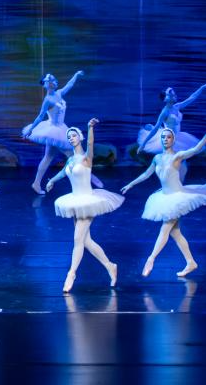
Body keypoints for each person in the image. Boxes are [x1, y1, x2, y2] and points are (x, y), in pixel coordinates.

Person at [121, 127, 206, 278]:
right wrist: (131, 184)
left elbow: (194, 150)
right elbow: (146, 174)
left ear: (173, 140)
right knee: (176, 233)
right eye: (163, 137)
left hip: (176, 198)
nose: (165, 139)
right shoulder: (157, 158)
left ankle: (151, 259)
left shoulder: (177, 156)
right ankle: (191, 262)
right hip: (164, 196)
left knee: (165, 228)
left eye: (168, 137)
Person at [45, 118, 122, 292]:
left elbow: (91, 144)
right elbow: (63, 173)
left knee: (77, 240)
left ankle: (71, 274)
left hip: (88, 201)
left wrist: (90, 128)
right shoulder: (70, 160)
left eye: (74, 135)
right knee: (86, 241)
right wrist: (52, 181)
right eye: (69, 137)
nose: (71, 138)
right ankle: (110, 266)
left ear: (80, 137)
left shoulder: (87, 158)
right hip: (75, 201)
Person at [24, 71, 102, 194]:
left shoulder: (59, 93)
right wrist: (31, 129)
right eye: (53, 80)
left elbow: (69, 85)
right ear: (49, 84)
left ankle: (36, 183)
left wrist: (76, 75)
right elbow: (40, 116)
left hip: (61, 128)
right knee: (72, 155)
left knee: (48, 157)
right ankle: (89, 177)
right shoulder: (48, 100)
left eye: (55, 80)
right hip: (53, 130)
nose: (56, 82)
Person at [136, 83, 206, 155]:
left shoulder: (177, 106)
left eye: (174, 95)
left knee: (187, 153)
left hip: (179, 136)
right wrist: (143, 144)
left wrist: (202, 88)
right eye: (171, 96)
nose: (174, 96)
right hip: (169, 138)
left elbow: (191, 98)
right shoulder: (165, 112)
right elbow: (155, 128)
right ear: (165, 99)